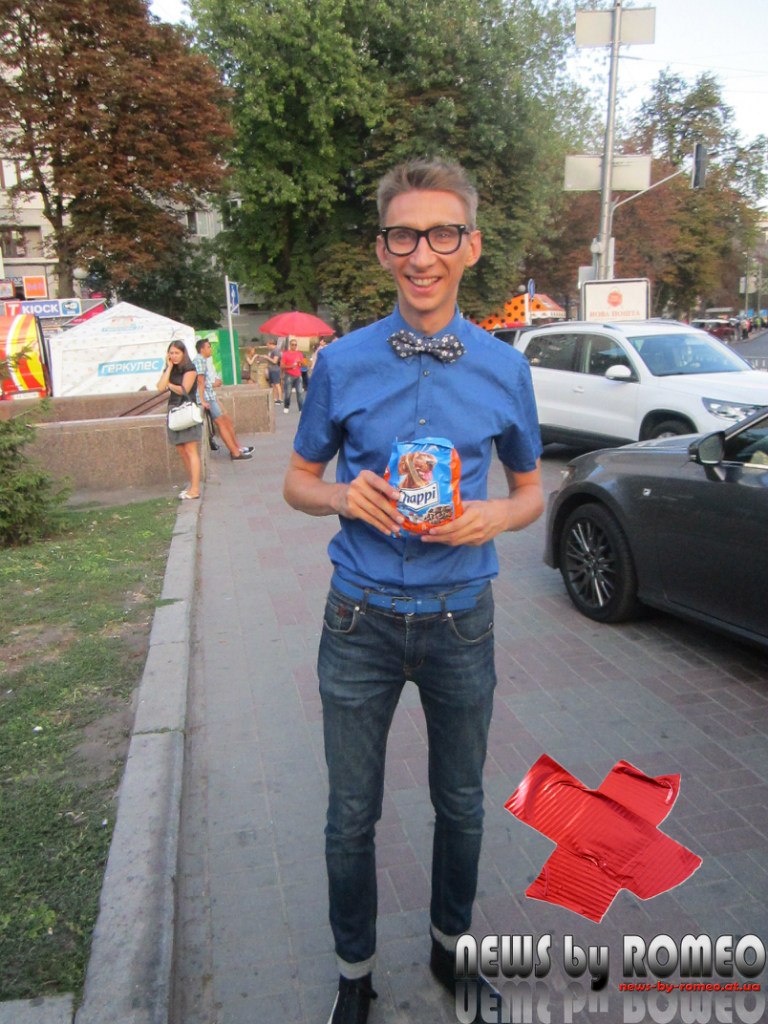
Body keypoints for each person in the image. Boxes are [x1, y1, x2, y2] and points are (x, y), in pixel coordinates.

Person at [283, 159, 544, 1024]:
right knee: (350, 813)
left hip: (460, 620)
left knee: (461, 805)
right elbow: (296, 482)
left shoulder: (504, 368)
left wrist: (495, 516)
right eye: (404, 235)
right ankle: (354, 973)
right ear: (383, 248)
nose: (421, 254)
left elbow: (531, 491)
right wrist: (340, 496)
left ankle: (450, 951)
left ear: (471, 245)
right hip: (357, 617)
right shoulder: (340, 362)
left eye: (441, 234)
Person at [194, 338, 253, 461]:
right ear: (202, 349)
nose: (210, 349)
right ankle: (235, 452)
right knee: (221, 423)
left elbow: (204, 382)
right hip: (207, 397)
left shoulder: (202, 360)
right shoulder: (199, 360)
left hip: (210, 396)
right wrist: (203, 400)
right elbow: (200, 382)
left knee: (226, 420)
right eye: (208, 347)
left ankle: (237, 448)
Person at [156, 340, 202, 500]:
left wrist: (169, 385)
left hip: (186, 409)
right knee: (182, 450)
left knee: (191, 449)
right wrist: (168, 368)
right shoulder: (171, 368)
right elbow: (160, 387)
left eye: (177, 353)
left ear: (183, 353)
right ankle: (192, 484)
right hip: (174, 410)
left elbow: (184, 390)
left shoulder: (190, 368)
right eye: (171, 353)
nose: (174, 356)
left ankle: (195, 489)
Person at [280, 336, 305, 413]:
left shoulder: (299, 354)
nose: (294, 346)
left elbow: (304, 364)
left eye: (295, 345)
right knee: (288, 392)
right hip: (289, 375)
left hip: (298, 375)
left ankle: (301, 408)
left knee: (300, 392)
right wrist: (291, 366)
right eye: (292, 345)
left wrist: (301, 363)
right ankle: (286, 406)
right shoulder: (286, 354)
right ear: (290, 345)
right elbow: (282, 366)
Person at [265, 338, 283, 404]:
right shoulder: (271, 351)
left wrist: (267, 357)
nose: (267, 346)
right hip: (271, 369)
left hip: (275, 369)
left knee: (277, 384)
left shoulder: (276, 350)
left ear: (271, 344)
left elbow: (275, 361)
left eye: (268, 345)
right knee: (273, 384)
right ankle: (275, 398)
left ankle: (280, 399)